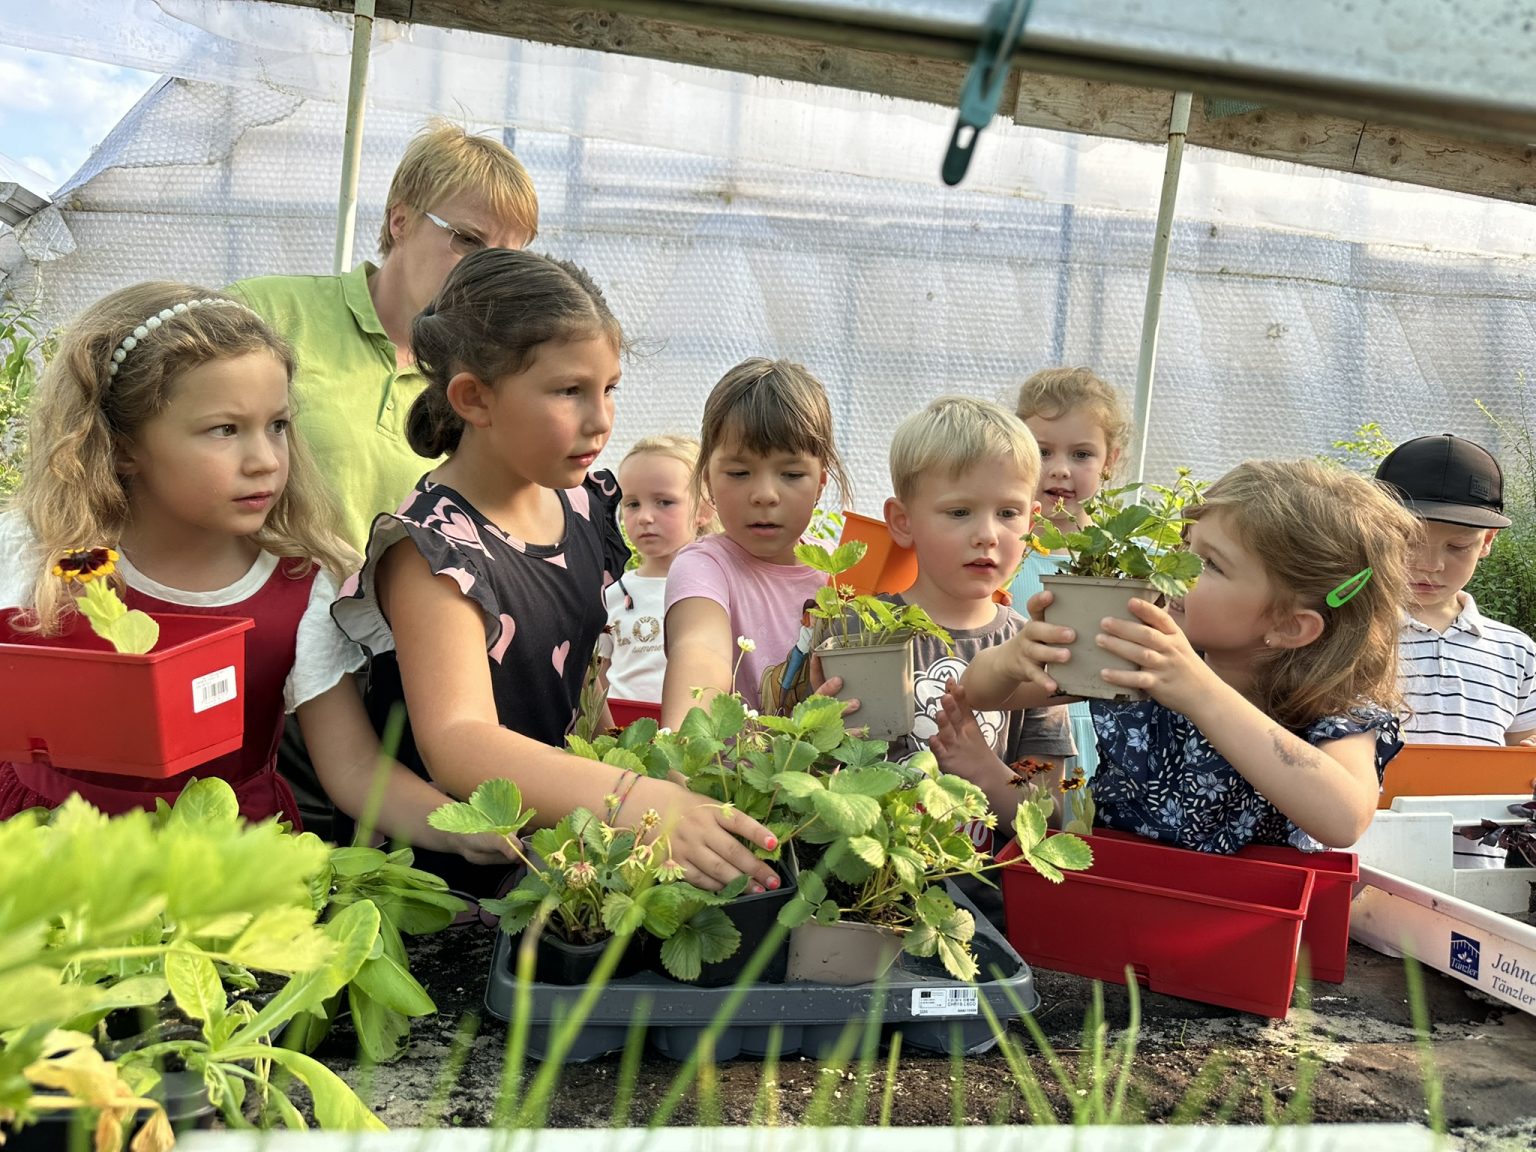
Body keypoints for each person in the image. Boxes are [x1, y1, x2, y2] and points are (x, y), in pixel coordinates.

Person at [0, 282, 515, 868]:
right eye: (225, 430)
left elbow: (352, 768)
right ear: (123, 449)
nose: (266, 460)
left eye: (278, 426)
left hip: (226, 875)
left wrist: (458, 831)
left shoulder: (299, 590)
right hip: (41, 855)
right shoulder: (32, 554)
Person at [331, 249, 781, 898]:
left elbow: (584, 686)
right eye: (570, 391)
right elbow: (459, 740)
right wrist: (633, 799)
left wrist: (648, 776)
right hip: (452, 895)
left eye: (609, 388)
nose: (601, 420)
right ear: (474, 399)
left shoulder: (585, 501)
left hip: (566, 862)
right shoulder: (434, 551)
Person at [231, 120, 539, 835]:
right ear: (399, 220)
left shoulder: (487, 383)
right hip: (248, 652)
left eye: (509, 256)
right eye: (466, 237)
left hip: (391, 683)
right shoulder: (269, 317)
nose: (481, 270)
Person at [963, 459, 1417, 853]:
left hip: (1242, 929)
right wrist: (1016, 657)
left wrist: (1200, 692)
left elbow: (1344, 819)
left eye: (1211, 563)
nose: (1174, 565)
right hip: (1116, 901)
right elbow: (982, 693)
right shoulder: (1143, 660)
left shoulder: (1333, 712)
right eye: (1184, 544)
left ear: (1288, 626)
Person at [879, 397, 1075, 850]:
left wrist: (984, 769)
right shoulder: (864, 632)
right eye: (959, 512)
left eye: (1008, 513)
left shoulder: (1035, 650)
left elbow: (1049, 818)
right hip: (871, 896)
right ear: (903, 521)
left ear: (1032, 523)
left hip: (986, 907)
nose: (987, 533)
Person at [660, 358, 855, 727]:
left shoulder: (841, 573)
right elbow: (700, 652)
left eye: (792, 473)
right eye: (739, 472)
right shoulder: (705, 568)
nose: (764, 494)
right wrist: (689, 757)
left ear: (821, 483)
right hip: (722, 784)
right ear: (708, 479)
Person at [1008, 367, 1133, 783]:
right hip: (1023, 730)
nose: (1061, 469)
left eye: (1081, 455)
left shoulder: (1127, 559)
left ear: (1110, 461)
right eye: (1043, 452)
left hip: (1108, 731)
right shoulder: (1003, 557)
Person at [1375, 433, 1536, 747]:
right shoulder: (1348, 633)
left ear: (1486, 542)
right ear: (1375, 531)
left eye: (1458, 547)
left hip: (1477, 798)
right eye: (1408, 542)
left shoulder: (1517, 652)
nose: (1430, 564)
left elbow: (1522, 746)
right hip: (1375, 798)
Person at [604, 435, 718, 705]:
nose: (644, 517)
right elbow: (598, 678)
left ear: (704, 509)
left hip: (692, 733)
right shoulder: (611, 593)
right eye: (632, 504)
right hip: (622, 735)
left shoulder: (718, 587)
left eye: (664, 502)